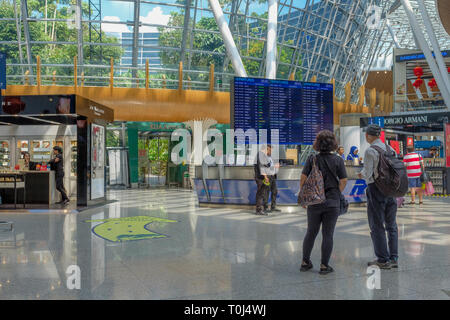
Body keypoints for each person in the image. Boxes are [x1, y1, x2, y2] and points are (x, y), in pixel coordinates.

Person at [300, 130, 348, 275]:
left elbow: (303, 178)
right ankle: (324, 265)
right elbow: (344, 180)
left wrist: (304, 197)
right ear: (333, 143)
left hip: (314, 202)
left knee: (311, 232)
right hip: (332, 202)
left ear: (318, 143)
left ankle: (305, 262)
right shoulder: (338, 160)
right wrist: (336, 193)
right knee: (328, 234)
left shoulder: (312, 159)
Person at [358, 124, 398, 269]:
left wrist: (360, 174)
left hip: (376, 190)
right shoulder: (390, 149)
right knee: (391, 224)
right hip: (391, 190)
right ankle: (394, 258)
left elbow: (368, 174)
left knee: (376, 224)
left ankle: (382, 259)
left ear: (367, 135)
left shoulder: (370, 151)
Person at [254, 145, 280, 215]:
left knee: (262, 193)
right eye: (269, 150)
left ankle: (260, 209)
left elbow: (266, 165)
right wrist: (265, 177)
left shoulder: (263, 156)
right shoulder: (260, 155)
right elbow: (261, 167)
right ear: (266, 149)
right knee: (261, 194)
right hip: (261, 178)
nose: (270, 152)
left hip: (266, 176)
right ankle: (259, 210)